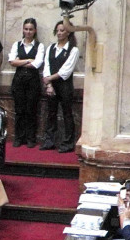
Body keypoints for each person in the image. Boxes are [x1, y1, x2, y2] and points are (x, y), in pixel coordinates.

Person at [41, 19, 80, 152]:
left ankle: (68, 143)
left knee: (67, 114)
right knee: (51, 113)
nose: (59, 33)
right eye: (57, 30)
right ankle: (49, 141)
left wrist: (49, 78)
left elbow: (66, 71)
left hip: (65, 86)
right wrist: (49, 85)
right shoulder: (51, 47)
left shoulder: (73, 49)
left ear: (68, 32)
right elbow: (46, 65)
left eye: (62, 30)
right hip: (51, 86)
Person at [8, 17, 45, 147]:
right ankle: (18, 137)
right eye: (26, 29)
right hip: (18, 81)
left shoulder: (39, 46)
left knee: (31, 110)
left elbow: (37, 63)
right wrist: (28, 60)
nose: (28, 31)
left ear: (34, 31)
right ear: (23, 30)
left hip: (33, 82)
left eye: (30, 29)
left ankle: (31, 138)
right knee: (19, 110)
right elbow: (12, 61)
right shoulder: (16, 44)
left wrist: (21, 61)